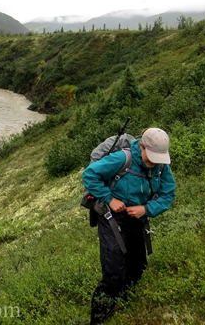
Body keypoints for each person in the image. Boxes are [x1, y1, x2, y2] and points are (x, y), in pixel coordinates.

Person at [82, 128, 176, 324]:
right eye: (150, 157)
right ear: (141, 146)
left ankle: (123, 304)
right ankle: (98, 319)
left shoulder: (161, 166)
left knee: (138, 266)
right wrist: (110, 198)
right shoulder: (122, 159)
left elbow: (168, 194)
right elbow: (90, 175)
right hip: (112, 216)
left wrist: (146, 208)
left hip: (137, 218)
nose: (153, 162)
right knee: (114, 273)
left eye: (157, 158)